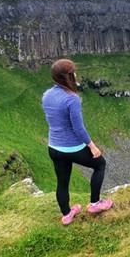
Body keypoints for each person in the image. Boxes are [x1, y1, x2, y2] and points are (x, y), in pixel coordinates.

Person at [42, 58, 113, 225]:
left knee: (62, 182)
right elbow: (78, 129)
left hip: (54, 147)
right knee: (100, 164)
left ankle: (67, 215)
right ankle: (95, 204)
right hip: (72, 147)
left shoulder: (46, 95)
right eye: (74, 71)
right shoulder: (72, 99)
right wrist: (92, 146)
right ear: (69, 76)